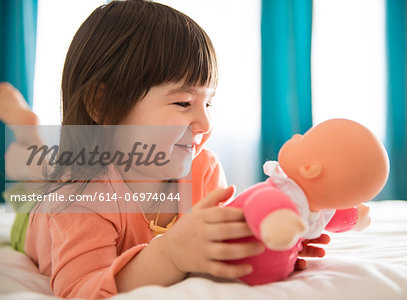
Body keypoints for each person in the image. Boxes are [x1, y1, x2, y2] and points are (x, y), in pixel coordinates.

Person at [0, 1, 329, 298]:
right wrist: (168, 254)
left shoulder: (205, 169)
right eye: (183, 102)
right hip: (37, 213)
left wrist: (272, 242)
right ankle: (27, 130)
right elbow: (81, 289)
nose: (204, 124)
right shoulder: (76, 199)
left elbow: (223, 237)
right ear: (102, 104)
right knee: (33, 184)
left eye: (208, 102)